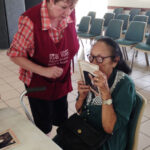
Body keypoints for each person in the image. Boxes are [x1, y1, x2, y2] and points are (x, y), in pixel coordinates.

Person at [7, 0, 79, 136]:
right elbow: (15, 55)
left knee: (61, 119)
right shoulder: (30, 20)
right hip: (38, 82)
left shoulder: (69, 13)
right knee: (44, 126)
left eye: (72, 7)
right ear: (50, 1)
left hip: (61, 79)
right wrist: (44, 71)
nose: (68, 13)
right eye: (63, 7)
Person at [54, 37, 136, 150]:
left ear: (115, 61)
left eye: (100, 59)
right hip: (84, 130)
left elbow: (109, 128)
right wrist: (82, 97)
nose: (93, 63)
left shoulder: (125, 85)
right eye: (91, 57)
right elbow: (79, 111)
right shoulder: (90, 77)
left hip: (105, 140)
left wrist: (105, 93)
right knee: (53, 143)